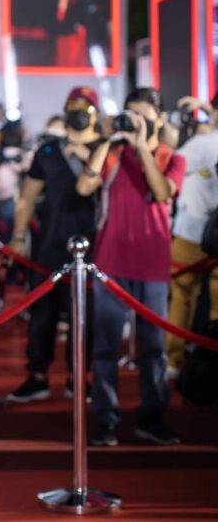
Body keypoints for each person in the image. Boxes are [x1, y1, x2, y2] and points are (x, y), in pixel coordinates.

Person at [78, 87, 185, 446]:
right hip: (110, 262)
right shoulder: (110, 154)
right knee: (105, 347)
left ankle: (152, 417)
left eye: (144, 117)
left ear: (160, 119)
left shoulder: (172, 157)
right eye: (131, 115)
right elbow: (83, 187)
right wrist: (108, 141)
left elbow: (162, 192)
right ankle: (106, 419)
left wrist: (141, 147)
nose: (137, 123)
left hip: (153, 262)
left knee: (154, 347)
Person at [7, 87, 102, 402]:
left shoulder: (106, 149)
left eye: (85, 106)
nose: (79, 110)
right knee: (42, 315)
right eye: (73, 104)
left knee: (85, 318)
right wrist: (18, 235)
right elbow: (27, 196)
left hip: (94, 248)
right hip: (48, 246)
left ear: (95, 112)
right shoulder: (47, 151)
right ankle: (38, 375)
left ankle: (80, 376)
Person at [167, 95, 218, 377]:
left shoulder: (204, 143)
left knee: (182, 295)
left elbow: (171, 163)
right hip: (201, 230)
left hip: (193, 231)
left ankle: (174, 359)